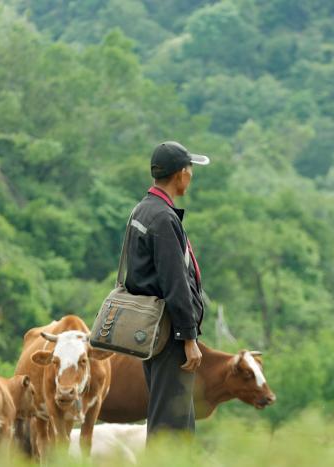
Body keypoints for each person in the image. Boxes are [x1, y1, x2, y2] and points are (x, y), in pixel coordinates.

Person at [124, 141, 210, 438]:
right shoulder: (163, 217)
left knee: (177, 420)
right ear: (181, 175)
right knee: (170, 425)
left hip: (152, 332)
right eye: (190, 170)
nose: (191, 176)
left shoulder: (143, 210)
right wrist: (189, 337)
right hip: (169, 334)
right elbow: (175, 283)